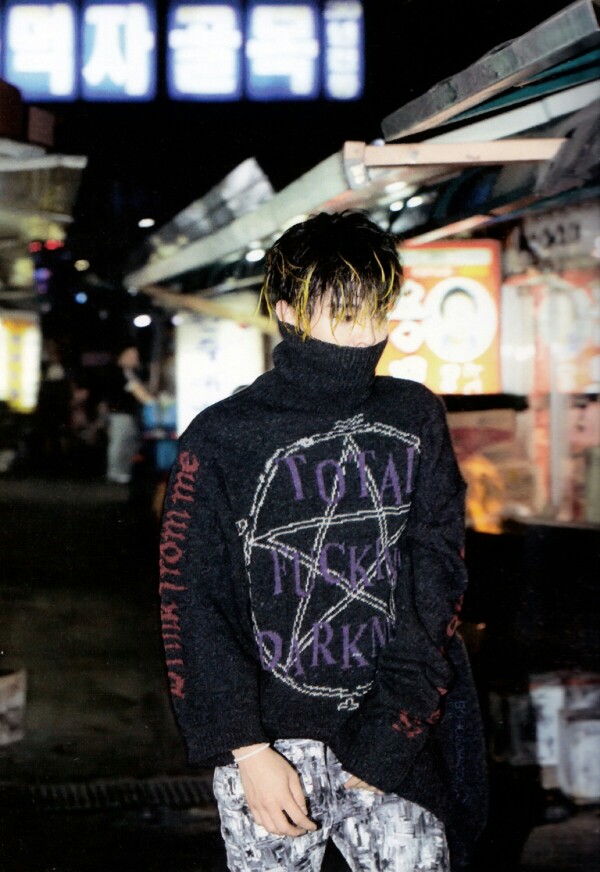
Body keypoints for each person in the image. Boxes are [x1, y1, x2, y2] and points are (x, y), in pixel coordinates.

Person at [159, 211, 487, 871]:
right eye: (342, 316)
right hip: (270, 748)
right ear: (288, 313)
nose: (363, 336)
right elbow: (192, 603)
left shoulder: (414, 415)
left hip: (393, 731)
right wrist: (247, 751)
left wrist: (395, 730)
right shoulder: (222, 436)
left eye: (376, 314)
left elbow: (435, 579)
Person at [104, 344, 153, 484]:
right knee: (119, 443)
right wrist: (149, 400)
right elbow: (136, 391)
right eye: (132, 355)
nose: (135, 358)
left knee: (129, 444)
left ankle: (124, 471)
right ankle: (114, 472)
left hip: (130, 414)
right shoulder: (117, 373)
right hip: (120, 413)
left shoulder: (132, 372)